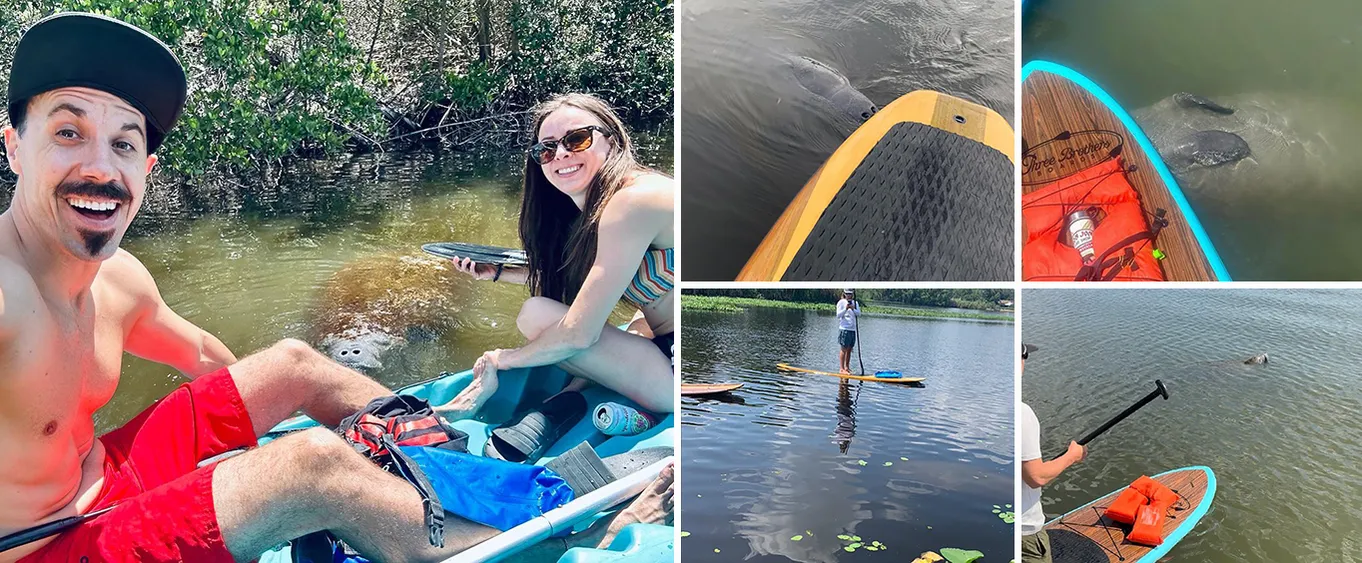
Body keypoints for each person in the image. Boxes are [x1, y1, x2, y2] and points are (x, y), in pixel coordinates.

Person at [0, 13, 669, 563]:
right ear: (14, 147)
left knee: (292, 363)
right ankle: (539, 535)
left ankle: (456, 476)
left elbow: (207, 358)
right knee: (311, 464)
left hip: (107, 471)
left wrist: (243, 482)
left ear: (145, 168)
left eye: (122, 144)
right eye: (68, 131)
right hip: (50, 546)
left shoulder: (117, 278)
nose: (99, 165)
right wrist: (286, 479)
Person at [444, 93, 675, 417]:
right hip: (667, 343)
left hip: (678, 368)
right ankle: (576, 390)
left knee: (535, 314)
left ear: (611, 141)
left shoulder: (631, 203)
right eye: (547, 149)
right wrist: (497, 272)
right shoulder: (606, 203)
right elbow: (586, 273)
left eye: (577, 139)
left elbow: (580, 333)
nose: (561, 154)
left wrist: (501, 358)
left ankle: (575, 393)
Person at [1019, 343, 1087, 563]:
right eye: (1025, 356)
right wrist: (1071, 456)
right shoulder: (1022, 413)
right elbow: (1036, 476)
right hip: (1025, 533)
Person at [836, 289, 860, 374]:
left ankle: (847, 367)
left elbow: (858, 314)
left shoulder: (855, 303)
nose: (849, 296)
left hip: (852, 329)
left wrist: (853, 309)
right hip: (844, 328)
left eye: (850, 294)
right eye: (847, 294)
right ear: (844, 294)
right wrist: (846, 309)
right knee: (844, 349)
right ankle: (841, 369)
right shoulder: (841, 302)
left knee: (850, 349)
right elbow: (838, 315)